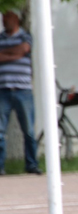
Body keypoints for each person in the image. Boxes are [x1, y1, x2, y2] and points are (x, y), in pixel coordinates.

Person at [0, 9, 41, 175]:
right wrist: (14, 54)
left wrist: (6, 54)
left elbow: (23, 49)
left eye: (7, 18)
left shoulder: (26, 36)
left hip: (23, 90)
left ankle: (31, 165)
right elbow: (16, 52)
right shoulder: (1, 38)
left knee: (29, 130)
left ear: (15, 19)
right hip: (3, 90)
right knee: (0, 131)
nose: (4, 21)